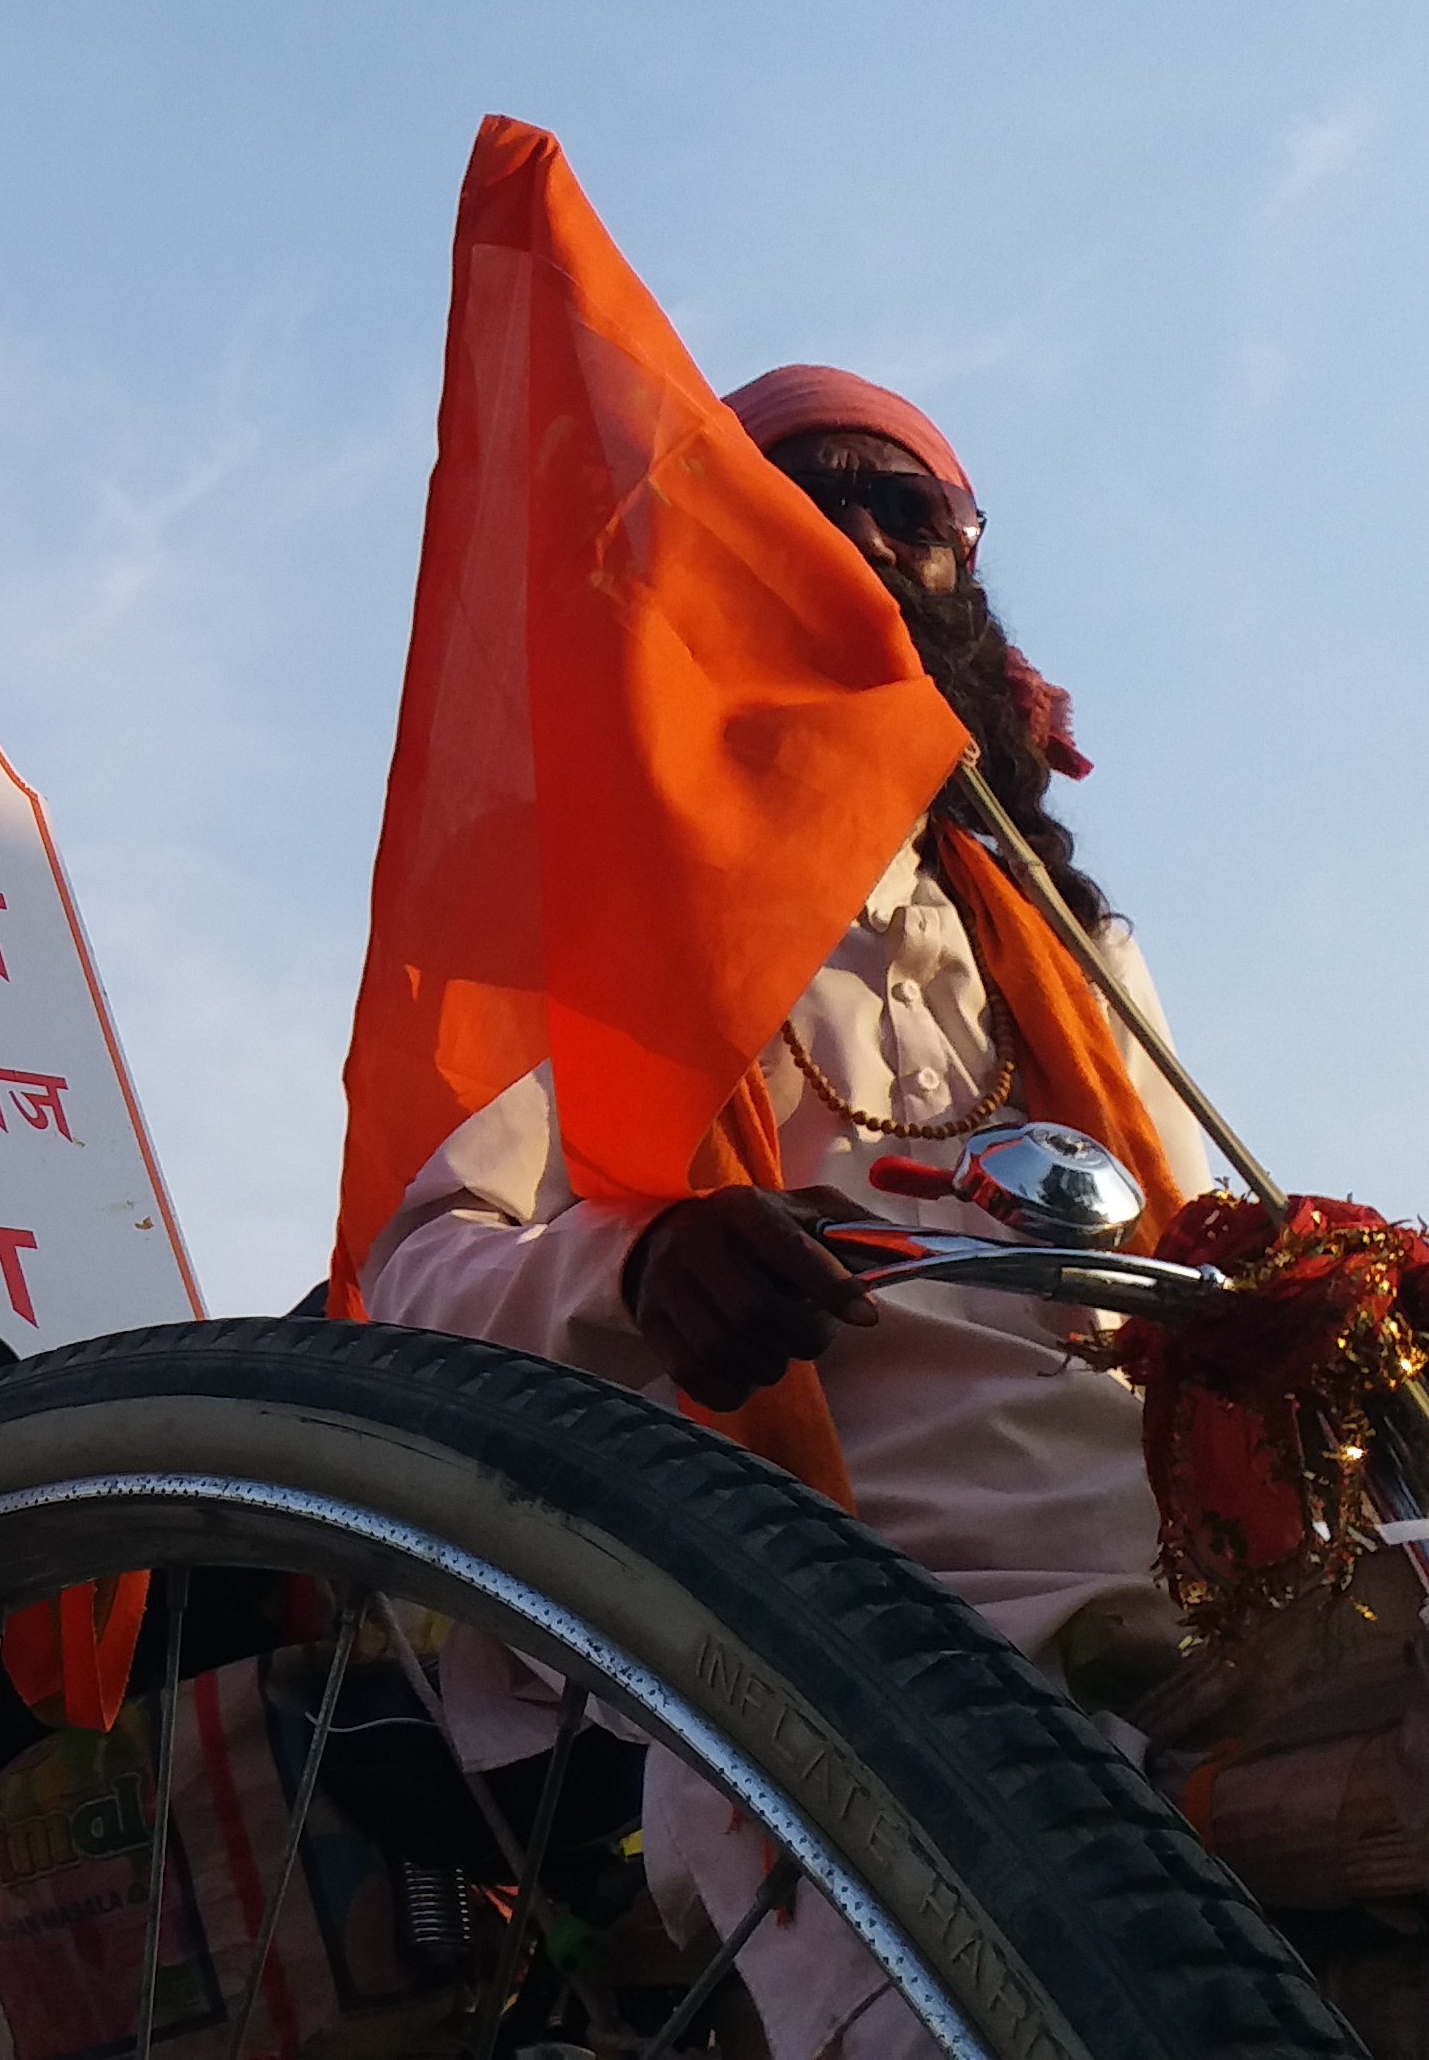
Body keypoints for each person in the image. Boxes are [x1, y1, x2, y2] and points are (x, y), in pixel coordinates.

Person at [365, 364, 1218, 2055]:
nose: (869, 543)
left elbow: (1175, 1262)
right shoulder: (576, 919)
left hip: (1201, 1600)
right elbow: (420, 1283)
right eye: (807, 510)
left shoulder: (1068, 940)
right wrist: (647, 1264)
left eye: (914, 514)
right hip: (832, 1646)